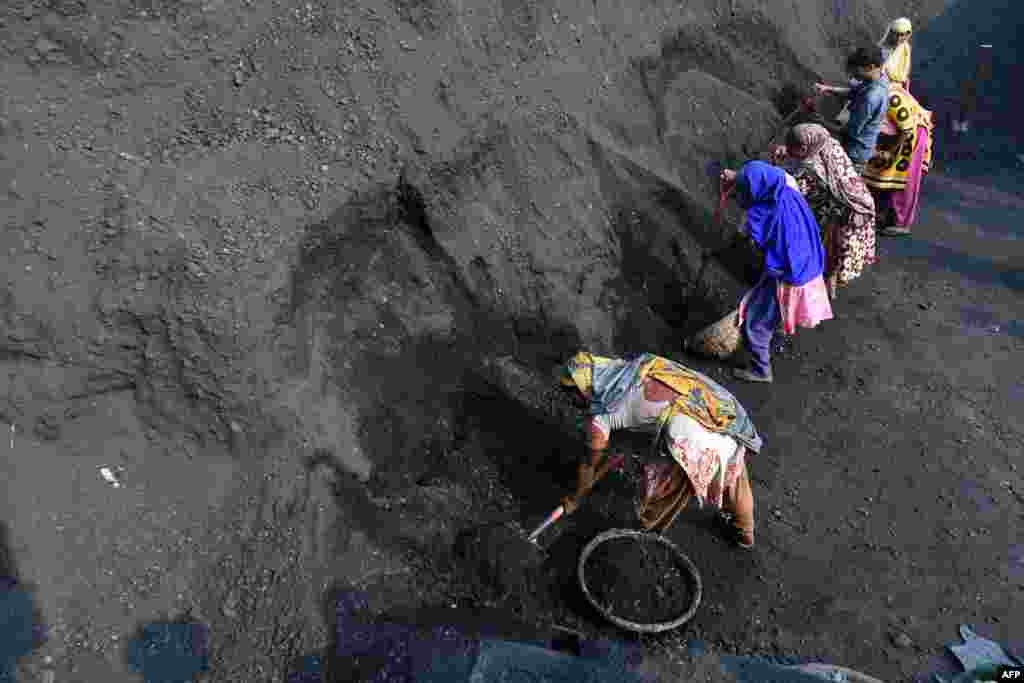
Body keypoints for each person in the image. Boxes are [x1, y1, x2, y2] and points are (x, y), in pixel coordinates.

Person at [558, 352, 762, 548]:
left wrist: (575, 499)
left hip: (692, 439)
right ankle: (745, 531)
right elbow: (633, 418)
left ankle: (640, 536)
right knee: (734, 477)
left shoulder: (601, 415)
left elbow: (588, 465)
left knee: (662, 496)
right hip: (716, 412)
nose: (571, 403)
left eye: (571, 396)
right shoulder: (626, 371)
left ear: (582, 389)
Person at [718, 161, 833, 383]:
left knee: (756, 319)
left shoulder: (767, 215)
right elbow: (757, 177)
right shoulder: (786, 188)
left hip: (790, 276)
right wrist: (737, 177)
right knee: (773, 310)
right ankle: (778, 326)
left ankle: (760, 370)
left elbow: (755, 239)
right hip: (810, 263)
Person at [774, 124, 877, 299]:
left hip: (847, 215)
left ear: (805, 147)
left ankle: (819, 291)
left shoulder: (812, 167)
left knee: (828, 250)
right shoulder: (828, 143)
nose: (792, 153)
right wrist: (789, 152)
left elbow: (796, 188)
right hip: (861, 200)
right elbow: (802, 159)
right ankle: (828, 285)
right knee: (832, 254)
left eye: (794, 149)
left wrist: (775, 169)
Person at [861, 84, 934, 236]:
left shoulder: (890, 97)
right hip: (893, 132)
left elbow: (906, 129)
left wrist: (890, 152)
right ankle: (877, 214)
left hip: (912, 132)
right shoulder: (865, 90)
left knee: (904, 177)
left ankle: (900, 222)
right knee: (878, 172)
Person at [813, 46, 891, 173]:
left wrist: (820, 122)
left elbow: (850, 132)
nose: (853, 75)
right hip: (857, 146)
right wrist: (827, 89)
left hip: (854, 155)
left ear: (870, 67)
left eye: (856, 71)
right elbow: (854, 92)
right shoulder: (880, 78)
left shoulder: (871, 98)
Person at [879, 17, 913, 92]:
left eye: (902, 35)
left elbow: (906, 75)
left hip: (898, 88)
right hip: (885, 87)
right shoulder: (884, 49)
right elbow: (880, 71)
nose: (898, 38)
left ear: (908, 34)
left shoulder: (905, 48)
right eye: (896, 34)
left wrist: (907, 92)